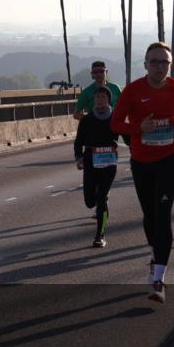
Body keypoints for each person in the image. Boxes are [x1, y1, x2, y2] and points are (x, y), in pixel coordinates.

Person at [111, 42, 174, 304]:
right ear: (146, 64)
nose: (160, 66)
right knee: (150, 215)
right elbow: (115, 122)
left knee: (163, 213)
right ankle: (155, 254)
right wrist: (138, 128)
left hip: (171, 157)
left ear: (170, 66)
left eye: (164, 62)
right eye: (155, 61)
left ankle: (158, 277)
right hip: (142, 161)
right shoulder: (133, 90)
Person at [73, 86, 123, 248]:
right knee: (90, 201)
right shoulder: (87, 119)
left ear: (108, 100)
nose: (99, 100)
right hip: (90, 161)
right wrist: (79, 157)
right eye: (97, 98)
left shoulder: (115, 117)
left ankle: (100, 235)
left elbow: (128, 136)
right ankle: (100, 194)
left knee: (101, 199)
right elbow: (79, 141)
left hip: (109, 162)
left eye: (103, 97)